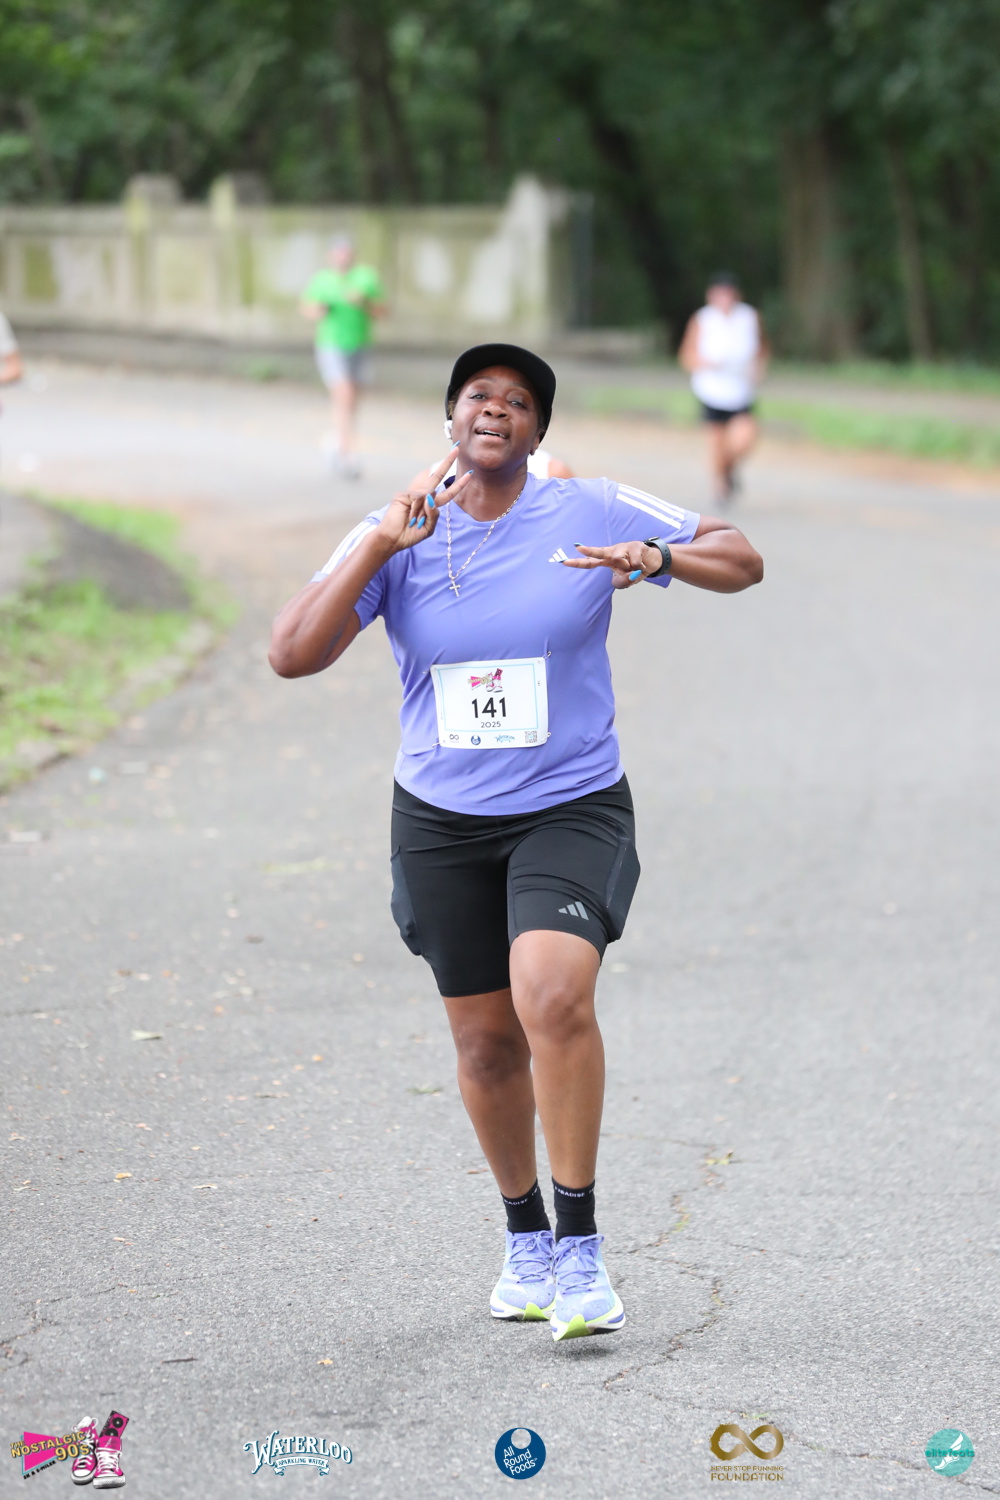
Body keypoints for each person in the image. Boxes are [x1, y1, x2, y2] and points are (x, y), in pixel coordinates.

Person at [269, 343, 762, 1342]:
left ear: (538, 431)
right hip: (441, 823)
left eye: (519, 400)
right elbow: (291, 654)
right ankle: (525, 1235)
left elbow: (739, 555)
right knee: (486, 1044)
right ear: (450, 419)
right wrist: (378, 546)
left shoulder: (589, 506)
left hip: (567, 804)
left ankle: (580, 1246)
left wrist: (655, 558)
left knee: (552, 995)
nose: (496, 408)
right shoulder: (398, 526)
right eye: (478, 395)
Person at [679, 272, 769, 503]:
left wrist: (759, 368)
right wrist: (704, 363)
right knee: (716, 442)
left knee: (745, 438)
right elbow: (687, 355)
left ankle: (727, 468)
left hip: (741, 390)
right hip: (711, 391)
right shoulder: (702, 319)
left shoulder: (749, 317)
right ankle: (720, 484)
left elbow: (761, 348)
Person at [301, 235, 385, 479]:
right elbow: (308, 308)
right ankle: (348, 455)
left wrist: (364, 302)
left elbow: (382, 310)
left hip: (360, 344)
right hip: (331, 345)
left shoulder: (366, 278)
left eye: (346, 252)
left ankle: (336, 440)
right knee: (343, 393)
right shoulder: (322, 280)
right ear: (331, 256)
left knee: (352, 400)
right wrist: (321, 309)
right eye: (338, 253)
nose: (342, 257)